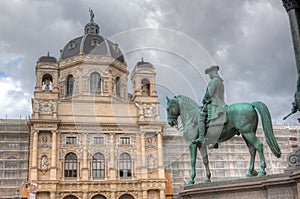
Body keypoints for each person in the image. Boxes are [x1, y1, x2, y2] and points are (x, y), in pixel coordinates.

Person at [194, 65, 226, 147]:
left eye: (209, 74)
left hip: (214, 104)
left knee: (201, 116)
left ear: (212, 73)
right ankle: (214, 140)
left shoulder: (213, 81)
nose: (209, 76)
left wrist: (204, 100)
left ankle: (201, 137)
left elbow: (209, 94)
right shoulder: (220, 82)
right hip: (221, 103)